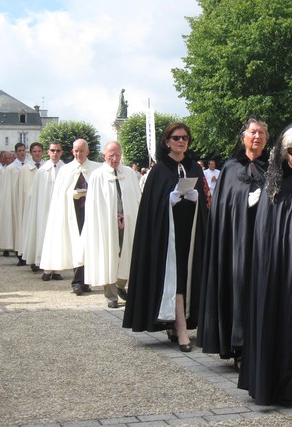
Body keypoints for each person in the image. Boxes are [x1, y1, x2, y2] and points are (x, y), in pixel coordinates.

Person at [238, 124, 292, 405]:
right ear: (285, 153)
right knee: (283, 323)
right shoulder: (274, 188)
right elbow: (268, 234)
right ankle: (282, 385)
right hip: (281, 270)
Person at [123, 123, 208, 352]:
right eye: (177, 138)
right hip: (166, 237)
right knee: (176, 278)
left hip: (189, 234)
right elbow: (150, 208)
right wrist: (166, 201)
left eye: (185, 138)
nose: (182, 142)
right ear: (167, 141)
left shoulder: (194, 168)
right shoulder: (159, 170)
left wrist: (195, 198)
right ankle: (181, 329)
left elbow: (206, 201)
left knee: (188, 276)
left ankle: (177, 322)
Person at [197, 117, 269, 365]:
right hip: (235, 241)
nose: (257, 137)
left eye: (261, 133)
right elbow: (224, 207)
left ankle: (259, 345)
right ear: (243, 137)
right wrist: (244, 202)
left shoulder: (272, 168)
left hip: (263, 241)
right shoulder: (229, 169)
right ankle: (237, 346)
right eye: (253, 132)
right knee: (237, 286)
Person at [84, 141, 141, 308]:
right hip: (107, 223)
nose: (114, 159)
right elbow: (93, 204)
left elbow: (136, 198)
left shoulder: (129, 174)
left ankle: (120, 285)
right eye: (111, 156)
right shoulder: (97, 175)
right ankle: (111, 295)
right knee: (108, 255)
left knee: (127, 253)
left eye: (117, 155)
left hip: (128, 222)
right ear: (104, 156)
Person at [40, 139, 101, 293]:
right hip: (73, 213)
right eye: (76, 151)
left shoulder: (96, 168)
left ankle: (86, 280)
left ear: (87, 151)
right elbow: (60, 194)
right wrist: (71, 195)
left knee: (89, 245)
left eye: (82, 150)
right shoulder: (66, 170)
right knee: (77, 245)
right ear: (72, 151)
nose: (79, 154)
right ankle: (78, 281)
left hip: (91, 213)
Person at [22, 142, 65, 276]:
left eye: (58, 151)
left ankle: (57, 269)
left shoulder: (65, 169)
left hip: (60, 211)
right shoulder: (42, 171)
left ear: (61, 152)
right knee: (44, 237)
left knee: (59, 238)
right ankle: (46, 268)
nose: (55, 153)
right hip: (44, 211)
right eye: (52, 150)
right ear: (48, 152)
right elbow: (36, 194)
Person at [0, 143, 27, 258]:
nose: (22, 152)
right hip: (15, 200)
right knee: (16, 226)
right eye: (19, 151)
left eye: (23, 150)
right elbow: (7, 188)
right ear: (16, 153)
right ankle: (18, 252)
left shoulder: (30, 166)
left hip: (27, 200)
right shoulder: (11, 168)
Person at [14, 142, 44, 266]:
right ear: (31, 153)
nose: (37, 154)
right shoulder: (25, 169)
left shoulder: (46, 167)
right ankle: (31, 259)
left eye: (39, 151)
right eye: (34, 151)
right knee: (30, 231)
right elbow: (20, 190)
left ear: (42, 152)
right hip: (29, 206)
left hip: (43, 205)